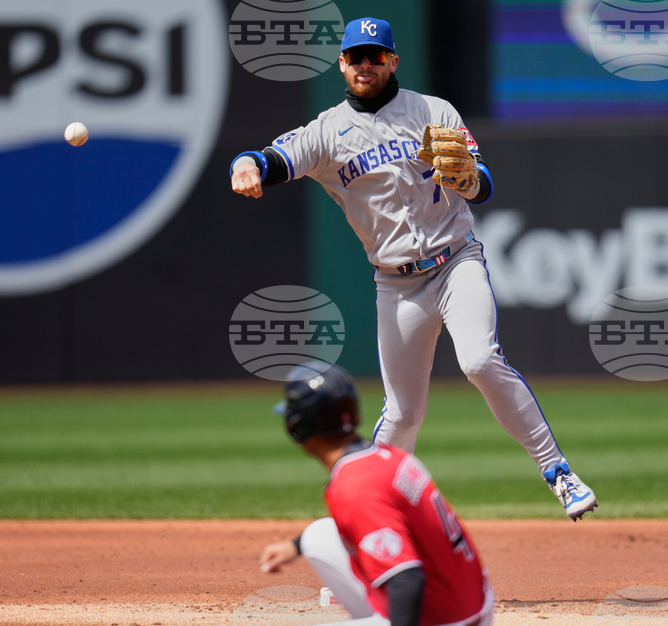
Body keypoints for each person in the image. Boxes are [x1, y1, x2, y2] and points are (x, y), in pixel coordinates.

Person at [230, 16, 596, 520]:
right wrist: (244, 166)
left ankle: (558, 472)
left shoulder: (433, 110)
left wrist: (469, 179)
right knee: (402, 412)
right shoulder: (328, 132)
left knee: (479, 361)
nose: (364, 64)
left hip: (456, 261)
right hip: (396, 284)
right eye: (355, 56)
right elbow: (270, 158)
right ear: (341, 64)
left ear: (392, 61)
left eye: (374, 56)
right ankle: (368, 523)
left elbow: (482, 183)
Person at [261, 363, 494, 626]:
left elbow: (407, 579)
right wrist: (294, 545)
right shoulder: (386, 456)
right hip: (468, 603)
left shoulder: (355, 487)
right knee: (318, 535)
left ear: (297, 427)